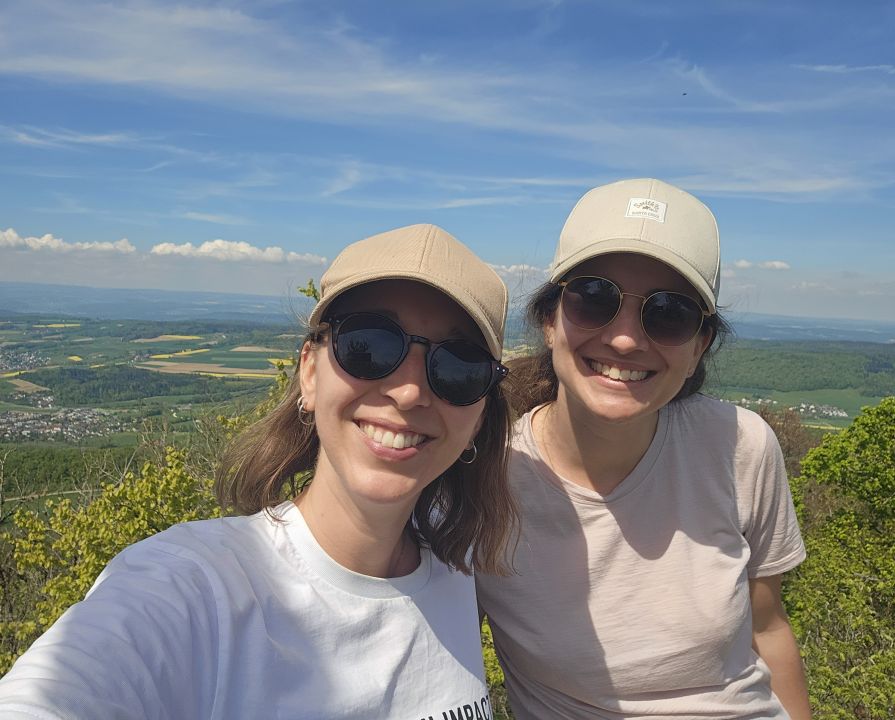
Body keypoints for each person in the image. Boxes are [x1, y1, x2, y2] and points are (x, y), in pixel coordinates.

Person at [0, 223, 515, 720]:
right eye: (370, 344)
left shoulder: (460, 563)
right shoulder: (196, 588)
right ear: (309, 373)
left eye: (460, 366)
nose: (408, 391)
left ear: (480, 415)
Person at [478, 179, 812, 719]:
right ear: (549, 320)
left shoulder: (740, 447)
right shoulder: (483, 482)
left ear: (700, 344)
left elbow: (769, 627)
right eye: (594, 298)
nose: (626, 339)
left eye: (669, 313)